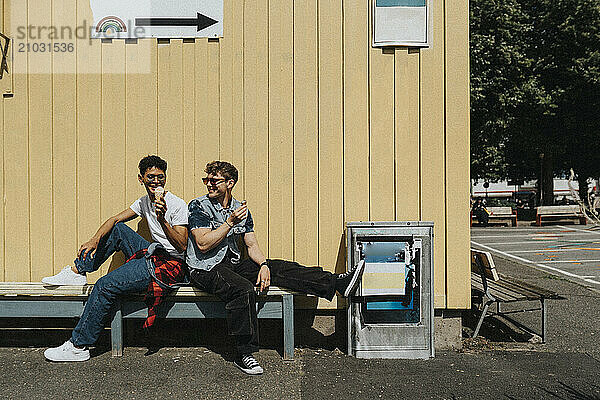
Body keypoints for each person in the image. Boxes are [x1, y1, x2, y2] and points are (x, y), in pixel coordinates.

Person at [186, 161, 365, 375]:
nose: (209, 184)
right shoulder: (198, 206)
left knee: (277, 267)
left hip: (230, 265)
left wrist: (263, 265)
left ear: (230, 183)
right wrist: (230, 222)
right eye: (206, 180)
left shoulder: (239, 209)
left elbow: (251, 245)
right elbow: (203, 244)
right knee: (242, 289)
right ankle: (244, 353)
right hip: (204, 268)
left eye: (214, 181)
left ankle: (336, 284)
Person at [41, 155, 188, 362]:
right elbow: (114, 219)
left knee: (104, 285)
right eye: (151, 177)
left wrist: (162, 218)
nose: (156, 182)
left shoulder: (177, 204)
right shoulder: (144, 202)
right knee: (117, 229)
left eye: (160, 177)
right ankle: (77, 271)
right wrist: (94, 240)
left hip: (170, 264)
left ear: (165, 178)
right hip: (154, 252)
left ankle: (79, 346)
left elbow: (182, 245)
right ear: (141, 179)